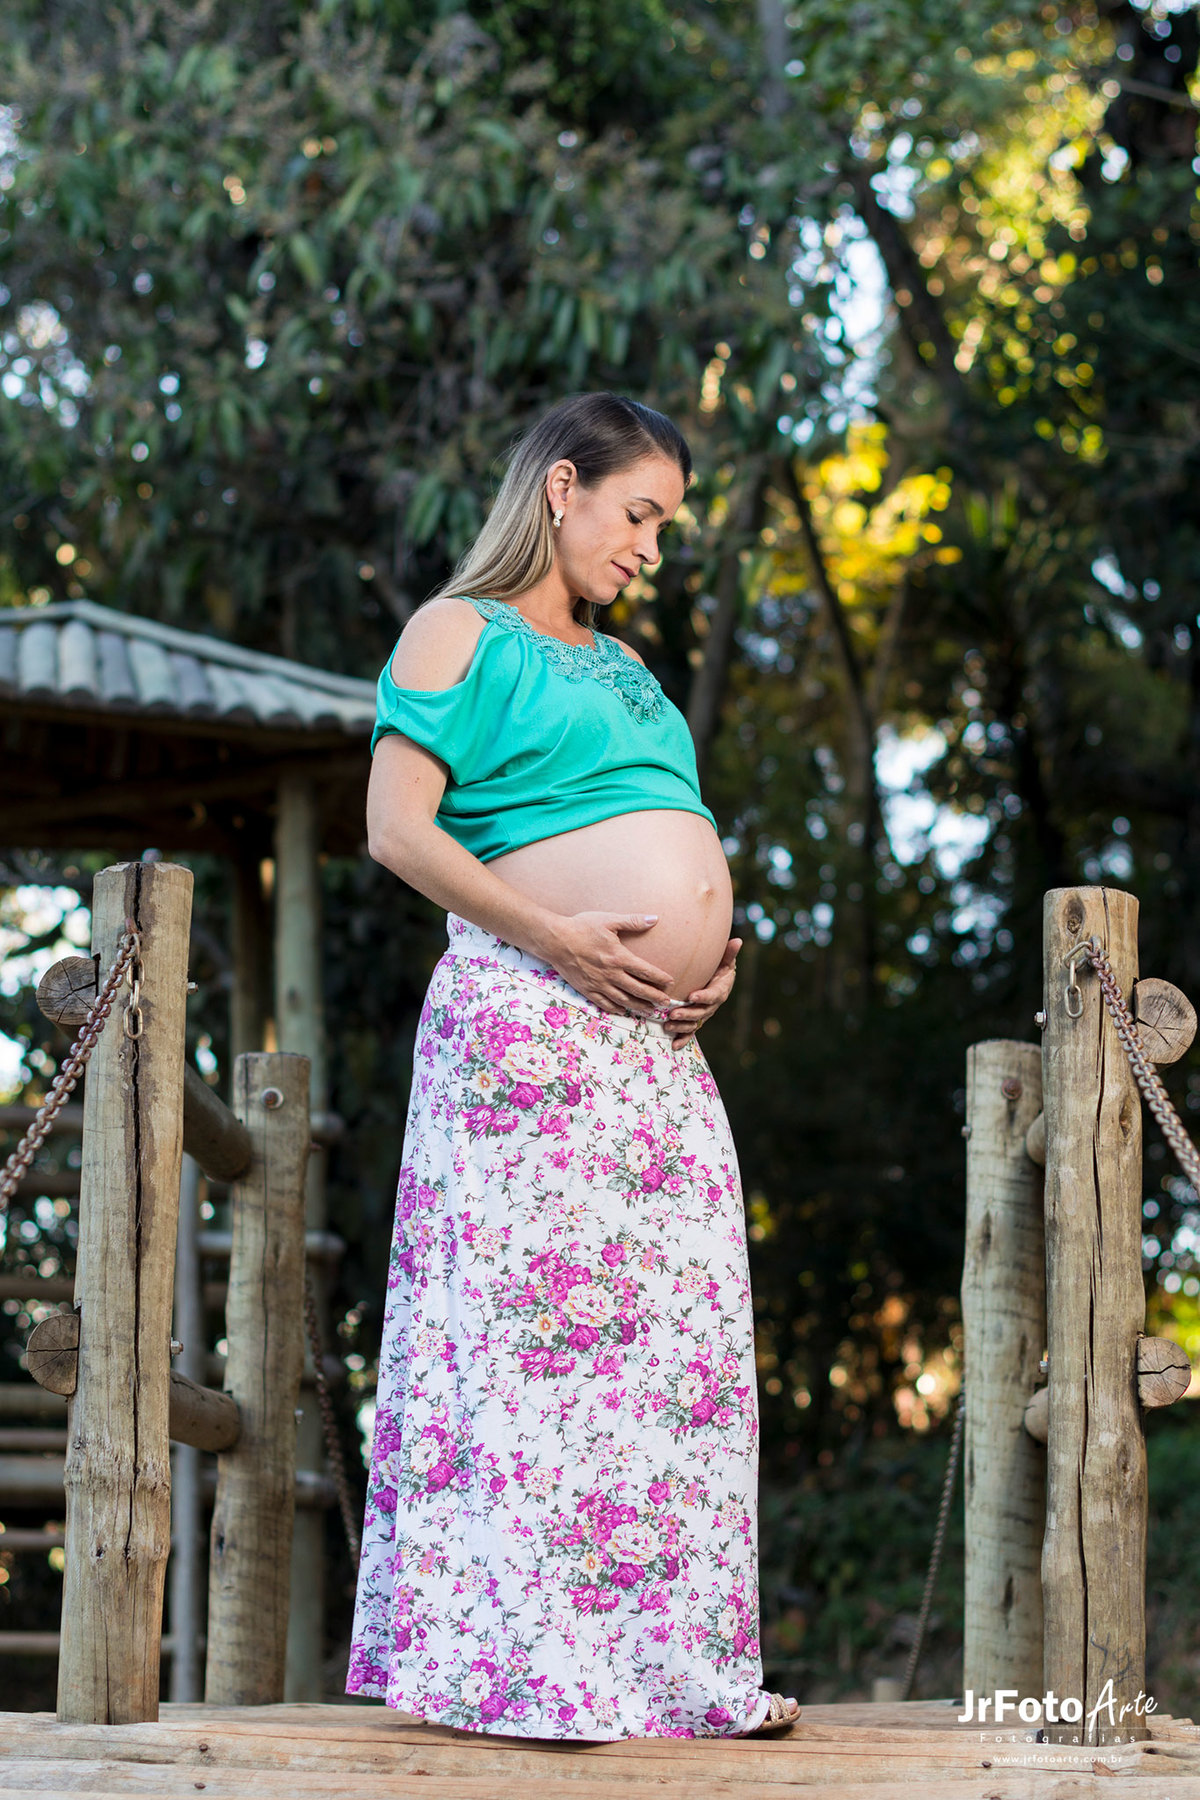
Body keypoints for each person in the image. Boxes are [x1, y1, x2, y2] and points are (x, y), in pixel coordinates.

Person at [345, 392, 799, 1741]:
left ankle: (678, 1675)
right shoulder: (455, 632)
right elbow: (393, 830)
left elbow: (667, 830)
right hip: (530, 1023)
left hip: (652, 1051)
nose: (654, 546)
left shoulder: (631, 670)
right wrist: (557, 939)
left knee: (677, 1361)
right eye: (640, 512)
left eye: (665, 521)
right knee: (544, 1357)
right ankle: (537, 1675)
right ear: (560, 487)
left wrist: (716, 962)